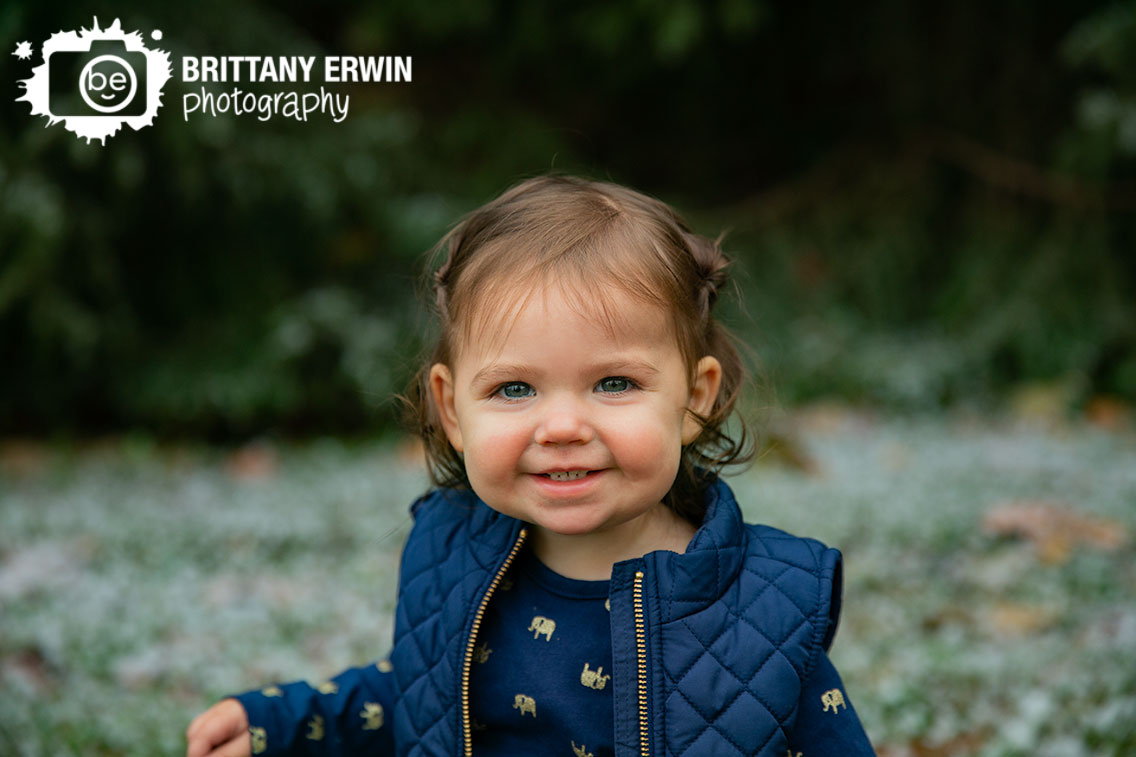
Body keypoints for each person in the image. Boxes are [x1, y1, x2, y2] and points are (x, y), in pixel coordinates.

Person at [185, 175, 875, 757]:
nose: (565, 427)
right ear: (453, 410)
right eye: (515, 389)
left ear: (694, 399)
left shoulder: (765, 611)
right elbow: (411, 696)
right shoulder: (452, 554)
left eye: (614, 383)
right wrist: (282, 722)